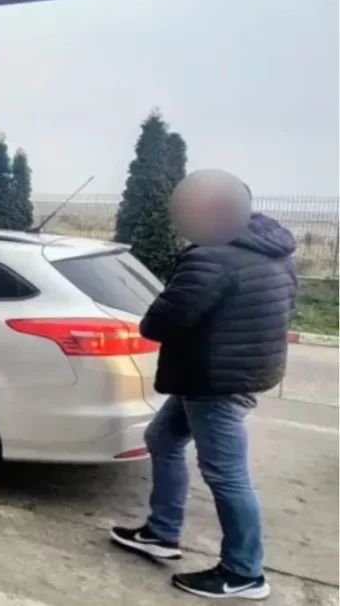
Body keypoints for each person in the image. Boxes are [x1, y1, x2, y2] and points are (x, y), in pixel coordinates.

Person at [110, 199, 297, 600]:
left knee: (227, 475)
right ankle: (161, 533)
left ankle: (244, 572)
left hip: (213, 380)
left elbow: (159, 323)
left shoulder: (211, 257)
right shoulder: (274, 250)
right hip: (238, 371)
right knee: (163, 438)